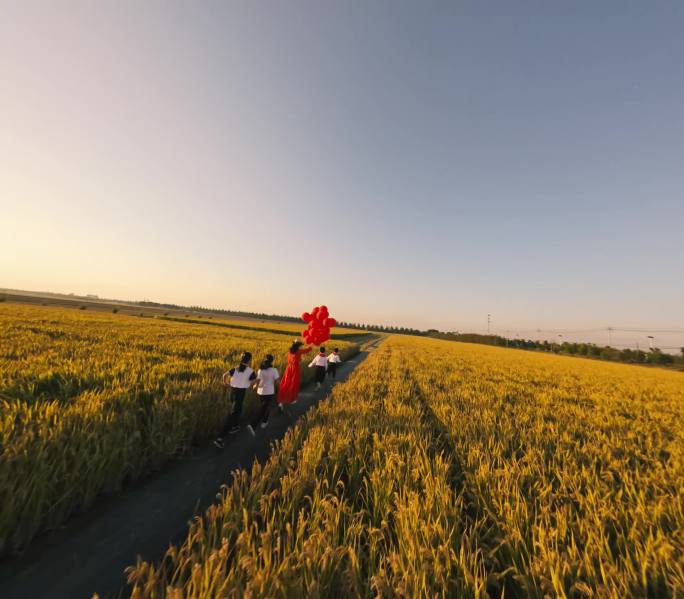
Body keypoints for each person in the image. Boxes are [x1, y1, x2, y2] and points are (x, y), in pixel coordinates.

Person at [214, 351, 256, 448]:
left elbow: (224, 375)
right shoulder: (250, 371)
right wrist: (253, 382)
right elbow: (253, 381)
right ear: (249, 360)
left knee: (237, 410)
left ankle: (235, 426)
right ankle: (219, 438)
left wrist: (226, 384)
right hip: (240, 393)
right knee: (233, 414)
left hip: (232, 392)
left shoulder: (236, 368)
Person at [246, 354, 279, 436]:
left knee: (264, 406)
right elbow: (277, 381)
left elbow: (258, 381)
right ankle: (253, 425)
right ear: (272, 361)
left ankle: (265, 421)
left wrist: (255, 386)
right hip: (269, 392)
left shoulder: (260, 370)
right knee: (264, 408)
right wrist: (275, 385)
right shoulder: (274, 370)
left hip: (260, 392)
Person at [277, 340, 312, 408]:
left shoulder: (290, 351)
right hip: (295, 368)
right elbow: (306, 350)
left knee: (286, 382)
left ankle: (282, 399)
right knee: (294, 383)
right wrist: (311, 346)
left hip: (289, 368)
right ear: (298, 346)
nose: (301, 346)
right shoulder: (298, 351)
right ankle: (291, 399)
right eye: (300, 345)